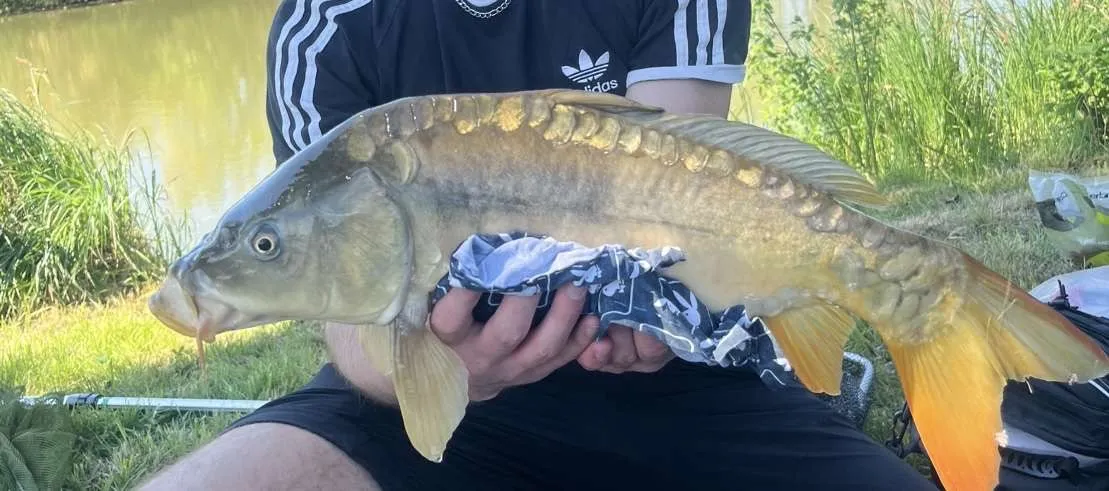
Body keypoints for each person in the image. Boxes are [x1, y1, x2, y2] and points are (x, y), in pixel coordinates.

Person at [140, 1, 939, 489]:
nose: (264, 252)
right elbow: (351, 336)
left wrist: (661, 321)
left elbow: (693, 174)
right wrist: (431, 366)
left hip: (688, 387)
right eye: (267, 245)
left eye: (267, 245)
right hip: (437, 410)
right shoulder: (324, 29)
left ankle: (931, 318)